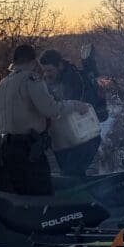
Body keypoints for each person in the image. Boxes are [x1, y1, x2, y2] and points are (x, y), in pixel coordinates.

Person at [0, 44, 69, 195]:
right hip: (28, 150)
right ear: (33, 61)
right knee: (41, 196)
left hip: (6, 149)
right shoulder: (31, 80)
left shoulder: (3, 83)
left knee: (18, 195)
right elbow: (50, 109)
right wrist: (74, 105)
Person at [38, 48, 101, 177]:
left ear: (60, 66)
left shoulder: (75, 79)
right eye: (44, 71)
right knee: (70, 175)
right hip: (63, 139)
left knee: (72, 173)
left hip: (85, 137)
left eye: (50, 70)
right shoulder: (49, 81)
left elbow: (79, 107)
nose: (46, 74)